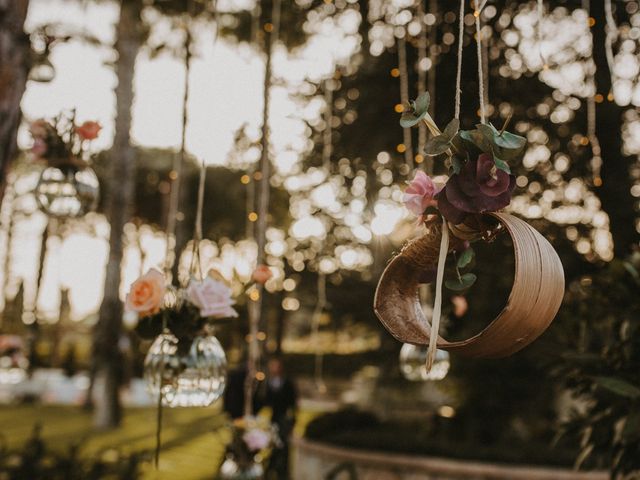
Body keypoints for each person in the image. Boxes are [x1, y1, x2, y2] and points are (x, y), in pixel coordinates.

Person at [261, 357, 297, 480]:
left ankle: (282, 471)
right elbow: (265, 401)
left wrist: (292, 421)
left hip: (284, 419)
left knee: (283, 445)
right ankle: (271, 468)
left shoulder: (288, 383)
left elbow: (294, 403)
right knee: (273, 444)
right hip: (274, 418)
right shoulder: (268, 383)